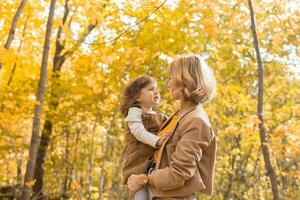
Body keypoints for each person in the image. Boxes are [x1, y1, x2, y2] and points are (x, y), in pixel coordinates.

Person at [127, 55, 217, 199]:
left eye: (171, 78)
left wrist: (145, 178)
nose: (168, 84)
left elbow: (179, 173)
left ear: (185, 80)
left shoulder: (196, 121)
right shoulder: (179, 116)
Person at [120, 75, 170, 200]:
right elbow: (139, 132)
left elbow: (173, 127)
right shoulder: (134, 112)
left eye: (157, 88)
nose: (156, 91)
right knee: (141, 194)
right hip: (138, 160)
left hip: (154, 161)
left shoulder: (161, 115)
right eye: (151, 89)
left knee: (155, 192)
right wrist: (158, 141)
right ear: (138, 97)